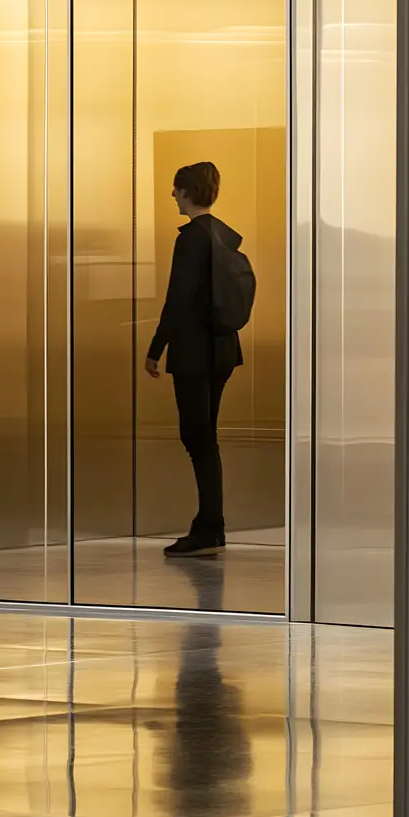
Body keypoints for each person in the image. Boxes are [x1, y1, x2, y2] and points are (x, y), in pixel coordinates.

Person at [145, 161, 243, 558]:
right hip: (222, 349)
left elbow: (178, 299)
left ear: (186, 193)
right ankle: (210, 526)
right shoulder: (224, 235)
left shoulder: (191, 239)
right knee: (206, 438)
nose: (172, 195)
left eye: (175, 189)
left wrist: (155, 348)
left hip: (193, 352)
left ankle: (209, 528)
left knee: (197, 438)